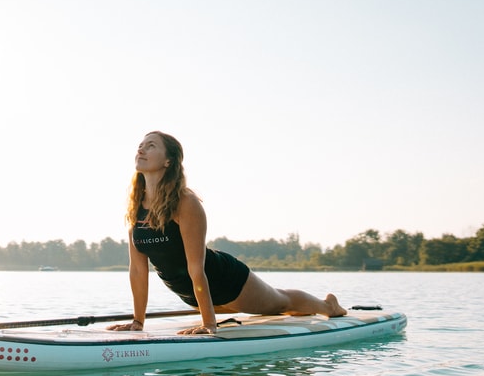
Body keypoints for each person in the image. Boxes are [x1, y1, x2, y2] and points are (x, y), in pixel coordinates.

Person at [107, 131, 347, 336]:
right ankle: (309, 308)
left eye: (151, 145)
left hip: (225, 281)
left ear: (169, 161)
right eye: (140, 145)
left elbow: (196, 268)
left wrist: (209, 324)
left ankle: (329, 307)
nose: (142, 149)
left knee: (280, 302)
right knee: (274, 309)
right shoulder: (136, 206)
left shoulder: (185, 203)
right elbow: (138, 270)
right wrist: (138, 322)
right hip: (190, 294)